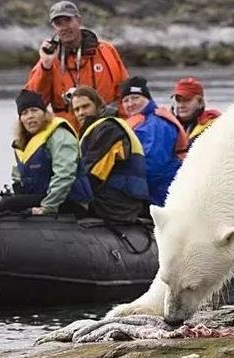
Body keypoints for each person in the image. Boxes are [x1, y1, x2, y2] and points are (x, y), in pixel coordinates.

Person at [25, 0, 129, 131]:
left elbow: (126, 93)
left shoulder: (106, 51)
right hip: (69, 136)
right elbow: (31, 103)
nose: (64, 27)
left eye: (68, 20)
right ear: (54, 28)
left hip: (108, 130)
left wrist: (124, 127)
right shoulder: (49, 61)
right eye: (58, 23)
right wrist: (45, 66)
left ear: (78, 21)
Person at [71, 86, 148, 222]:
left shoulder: (109, 129)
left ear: (98, 105)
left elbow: (93, 176)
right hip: (112, 198)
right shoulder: (94, 130)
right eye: (76, 109)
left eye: (85, 107)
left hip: (119, 204)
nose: (80, 113)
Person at [8, 89, 91, 215]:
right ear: (21, 119)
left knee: (9, 204)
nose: (30, 116)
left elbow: (65, 175)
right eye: (25, 113)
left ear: (45, 113)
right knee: (5, 203)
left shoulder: (60, 136)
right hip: (40, 197)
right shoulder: (22, 143)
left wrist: (47, 207)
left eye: (34, 110)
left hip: (69, 201)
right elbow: (18, 177)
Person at [120, 76, 188, 207]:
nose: (130, 104)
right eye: (126, 100)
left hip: (160, 195)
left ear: (148, 99)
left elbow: (153, 165)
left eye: (135, 98)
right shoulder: (140, 121)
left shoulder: (157, 124)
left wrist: (125, 188)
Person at [171, 77, 221, 146]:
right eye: (178, 100)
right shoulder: (168, 126)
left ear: (200, 102)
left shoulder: (213, 128)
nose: (181, 105)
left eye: (187, 100)